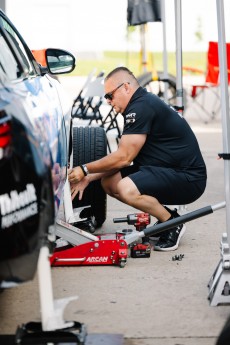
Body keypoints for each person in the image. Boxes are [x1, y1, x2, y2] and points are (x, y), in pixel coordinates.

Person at [68, 67, 207, 251]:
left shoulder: (140, 106)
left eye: (110, 95)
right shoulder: (140, 103)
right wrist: (90, 177)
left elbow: (123, 158)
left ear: (126, 87)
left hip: (188, 178)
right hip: (167, 169)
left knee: (126, 188)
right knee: (109, 182)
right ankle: (167, 216)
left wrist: (84, 169)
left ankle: (172, 223)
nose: (108, 101)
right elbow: (122, 159)